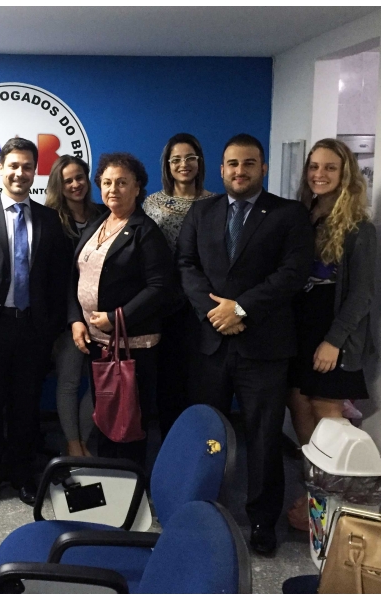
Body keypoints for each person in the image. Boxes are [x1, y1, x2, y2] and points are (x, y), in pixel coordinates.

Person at [177, 133, 314, 555]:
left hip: (265, 348)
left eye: (249, 163)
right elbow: (186, 264)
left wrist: (241, 310)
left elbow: (293, 272)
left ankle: (261, 521)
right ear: (220, 170)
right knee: (208, 435)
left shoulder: (289, 215)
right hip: (210, 345)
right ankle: (202, 509)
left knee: (264, 438)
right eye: (232, 164)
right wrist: (213, 312)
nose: (240, 171)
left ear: (263, 168)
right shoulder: (202, 212)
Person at [0, 137, 69, 516]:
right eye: (13, 166)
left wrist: (50, 327)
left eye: (27, 167)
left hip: (33, 330)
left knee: (25, 407)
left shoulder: (50, 220)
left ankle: (22, 475)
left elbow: (57, 280)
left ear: (35, 172)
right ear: (0, 169)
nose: (20, 173)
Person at [286, 138, 376, 530]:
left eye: (329, 168)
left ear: (345, 175)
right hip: (300, 331)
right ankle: (315, 502)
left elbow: (362, 294)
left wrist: (334, 342)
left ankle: (335, 516)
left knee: (329, 423)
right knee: (302, 416)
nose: (319, 175)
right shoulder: (303, 216)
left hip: (332, 335)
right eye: (314, 167)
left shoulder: (360, 228)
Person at [69, 152, 174, 466]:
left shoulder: (145, 232)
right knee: (105, 414)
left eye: (122, 183)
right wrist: (76, 319)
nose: (113, 189)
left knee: (128, 422)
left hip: (132, 346)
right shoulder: (100, 221)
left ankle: (130, 484)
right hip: (97, 342)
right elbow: (77, 275)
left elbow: (160, 288)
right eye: (107, 182)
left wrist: (118, 318)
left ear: (138, 187)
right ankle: (107, 478)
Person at [143, 133, 216, 437]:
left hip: (203, 302)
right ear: (167, 165)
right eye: (176, 159)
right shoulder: (152, 203)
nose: (183, 164)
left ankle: (201, 444)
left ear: (200, 162)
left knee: (201, 379)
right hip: (164, 303)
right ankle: (170, 445)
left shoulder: (216, 203)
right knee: (168, 379)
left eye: (190, 158)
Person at [45, 155, 106, 457]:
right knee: (69, 381)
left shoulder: (104, 214)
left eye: (79, 177)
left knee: (101, 384)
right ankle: (73, 443)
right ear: (59, 184)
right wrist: (72, 319)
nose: (75, 184)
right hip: (67, 316)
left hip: (101, 316)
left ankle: (83, 436)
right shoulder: (50, 219)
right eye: (68, 180)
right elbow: (57, 276)